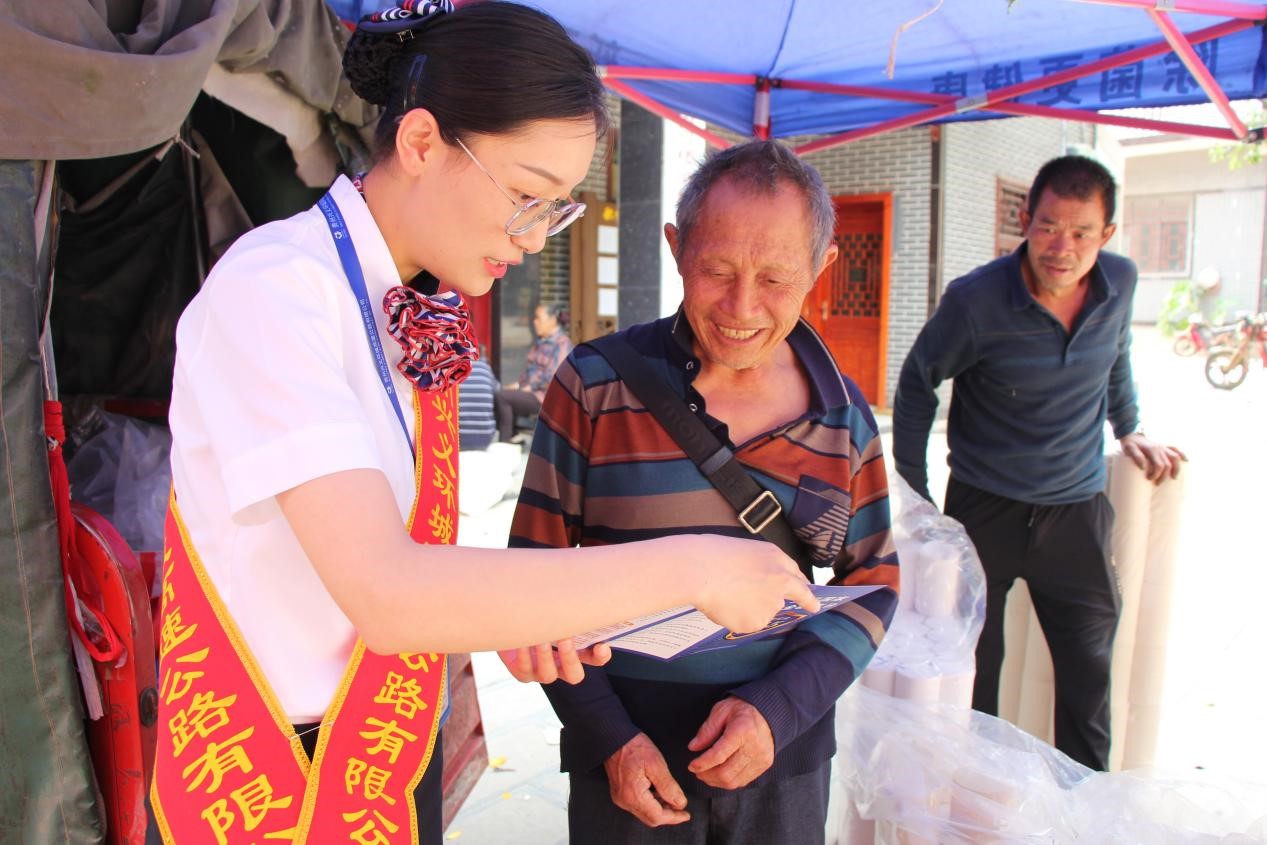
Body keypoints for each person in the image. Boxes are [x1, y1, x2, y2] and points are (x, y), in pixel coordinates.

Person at [147, 5, 817, 844]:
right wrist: (695, 567)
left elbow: (408, 572)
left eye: (556, 209)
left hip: (380, 747)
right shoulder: (275, 291)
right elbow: (388, 591)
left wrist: (526, 616)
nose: (533, 240)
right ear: (421, 142)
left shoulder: (404, 302)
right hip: (266, 770)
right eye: (526, 196)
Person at [510, 141, 900, 844]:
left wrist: (778, 709)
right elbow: (531, 576)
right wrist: (609, 737)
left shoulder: (843, 414)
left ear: (821, 269)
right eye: (716, 270)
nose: (741, 306)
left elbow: (872, 583)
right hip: (624, 755)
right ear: (676, 249)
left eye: (775, 278)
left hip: (783, 758)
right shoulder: (594, 385)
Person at [891, 155, 1185, 771]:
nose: (1062, 247)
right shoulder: (975, 301)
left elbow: (1116, 356)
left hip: (1075, 513)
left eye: (1081, 233)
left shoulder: (1120, 283)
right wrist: (917, 497)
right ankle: (979, 796)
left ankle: (1088, 802)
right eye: (1049, 227)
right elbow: (918, 382)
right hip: (984, 510)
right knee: (974, 671)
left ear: (1107, 234)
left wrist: (1129, 427)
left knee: (1089, 674)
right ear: (1026, 220)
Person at [495, 301, 572, 442]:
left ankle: (504, 442)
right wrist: (518, 384)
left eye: (538, 318)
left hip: (544, 397)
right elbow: (530, 372)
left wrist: (527, 387)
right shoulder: (541, 342)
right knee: (499, 393)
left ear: (552, 320)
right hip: (531, 392)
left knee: (502, 397)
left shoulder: (562, 344)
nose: (535, 322)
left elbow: (553, 376)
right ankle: (512, 440)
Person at [458, 351, 499, 451]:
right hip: (485, 439)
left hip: (458, 439)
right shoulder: (485, 368)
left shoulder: (453, 369)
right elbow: (498, 390)